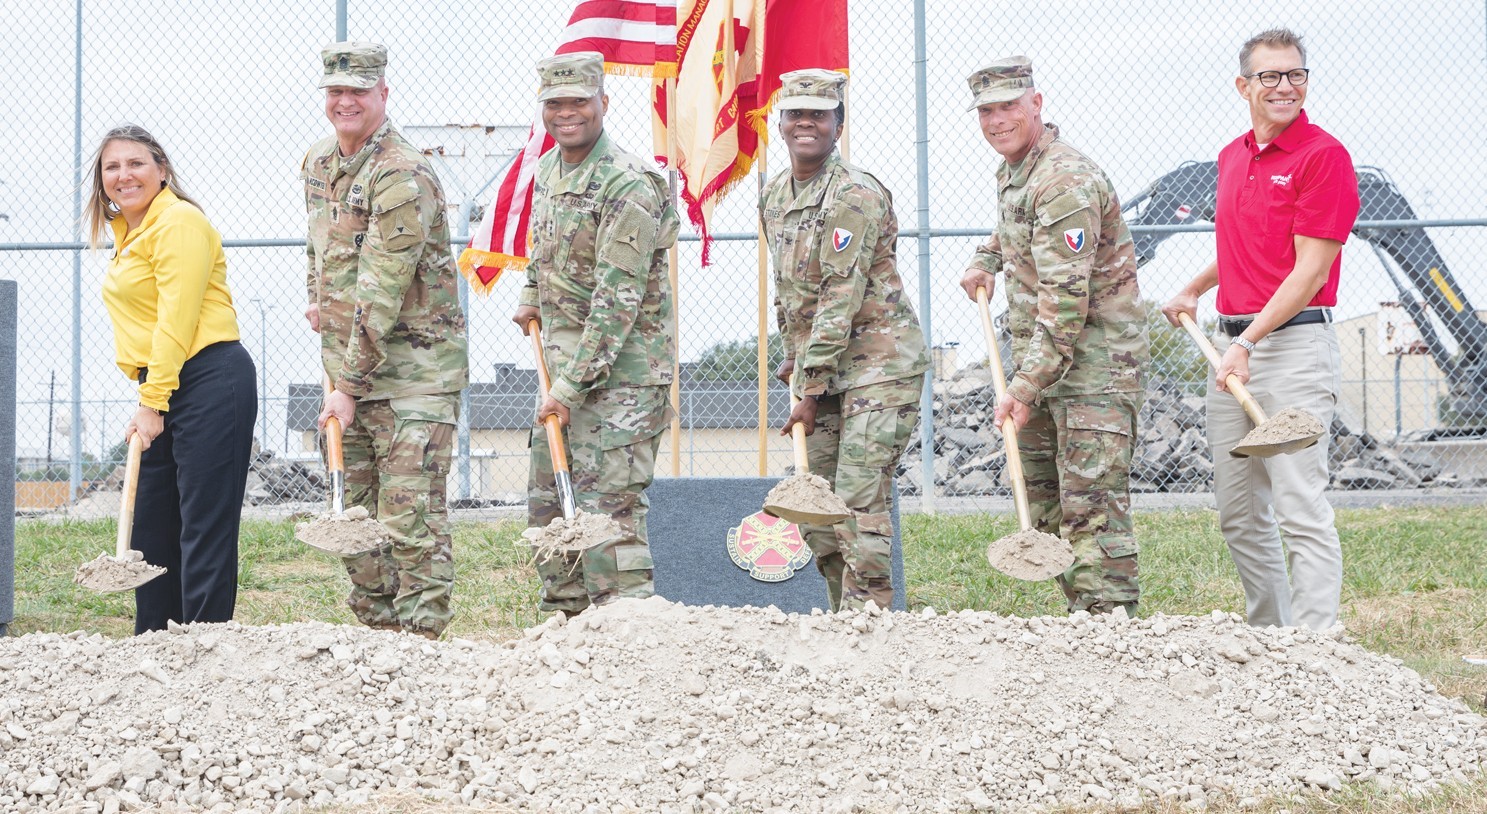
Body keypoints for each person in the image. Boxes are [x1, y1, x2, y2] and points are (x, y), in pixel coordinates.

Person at [1162, 29, 1358, 631]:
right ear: (1243, 86)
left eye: (1295, 74)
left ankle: (1318, 647)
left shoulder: (1323, 157)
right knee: (1241, 512)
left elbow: (1310, 269)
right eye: (1270, 76)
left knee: (1299, 504)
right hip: (1235, 349)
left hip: (1292, 348)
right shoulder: (1232, 157)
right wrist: (1195, 289)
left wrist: (1247, 344)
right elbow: (1244, 246)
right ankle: (1272, 639)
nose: (1285, 86)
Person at [958, 57, 1150, 616]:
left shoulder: (1064, 179)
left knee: (1091, 506)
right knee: (1046, 506)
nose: (997, 121)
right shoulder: (1020, 171)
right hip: (1045, 367)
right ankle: (1079, 622)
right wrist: (985, 257)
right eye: (986, 111)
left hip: (1092, 369)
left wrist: (1021, 387)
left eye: (1009, 107)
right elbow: (1016, 226)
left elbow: (1066, 306)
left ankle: (1108, 631)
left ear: (1036, 104)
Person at [303, 42, 469, 639]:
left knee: (409, 519)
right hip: (352, 373)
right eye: (335, 92)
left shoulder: (403, 172)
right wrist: (316, 299)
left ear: (383, 95)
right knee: (355, 520)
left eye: (358, 91)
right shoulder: (320, 163)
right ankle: (378, 648)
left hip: (413, 379)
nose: (345, 101)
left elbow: (382, 295)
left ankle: (422, 653)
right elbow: (319, 245)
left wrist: (344, 388)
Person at [510, 52, 678, 616]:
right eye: (555, 104)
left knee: (609, 517)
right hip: (563, 376)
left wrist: (568, 388)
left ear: (603, 102)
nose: (567, 114)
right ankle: (564, 630)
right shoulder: (550, 171)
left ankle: (623, 641)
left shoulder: (628, 182)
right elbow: (543, 250)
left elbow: (616, 303)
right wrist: (532, 293)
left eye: (579, 101)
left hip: (621, 384)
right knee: (550, 513)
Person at [763, 69, 929, 612]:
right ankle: (842, 613)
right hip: (823, 369)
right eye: (796, 113)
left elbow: (840, 296)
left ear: (838, 123)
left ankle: (872, 619)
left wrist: (808, 390)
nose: (806, 123)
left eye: (819, 114)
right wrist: (793, 360)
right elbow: (788, 291)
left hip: (879, 366)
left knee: (857, 497)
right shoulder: (774, 197)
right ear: (781, 122)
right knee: (819, 505)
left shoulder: (854, 194)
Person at [86, 124, 257, 635]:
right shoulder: (130, 234)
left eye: (135, 163)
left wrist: (153, 401)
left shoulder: (179, 222)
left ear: (161, 170)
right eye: (112, 167)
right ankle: (154, 643)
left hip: (209, 376)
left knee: (203, 523)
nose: (124, 175)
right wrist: (152, 395)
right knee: (153, 526)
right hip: (164, 383)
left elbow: (176, 318)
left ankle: (203, 644)